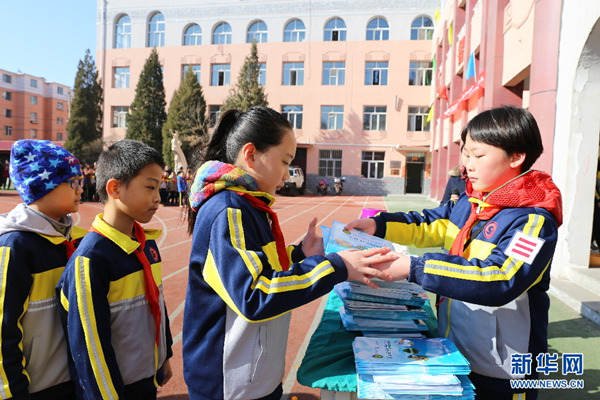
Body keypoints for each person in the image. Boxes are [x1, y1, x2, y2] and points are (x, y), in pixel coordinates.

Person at [346, 106, 563, 400]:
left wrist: (416, 268)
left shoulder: (533, 222)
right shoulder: (472, 203)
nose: (468, 165)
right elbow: (428, 223)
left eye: (478, 155)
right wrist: (378, 225)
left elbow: (500, 279)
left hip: (503, 368)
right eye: (465, 154)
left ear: (516, 157)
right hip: (457, 350)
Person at [182, 107, 397, 400]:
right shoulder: (228, 210)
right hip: (228, 383)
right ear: (251, 154)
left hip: (252, 374)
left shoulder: (249, 205)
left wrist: (298, 254)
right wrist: (337, 266)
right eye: (284, 161)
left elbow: (258, 264)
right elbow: (254, 293)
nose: (287, 173)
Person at [57, 139, 173, 400]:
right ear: (115, 188)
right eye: (150, 187)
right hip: (117, 389)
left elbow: (158, 300)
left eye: (159, 187)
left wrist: (165, 354)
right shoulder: (91, 260)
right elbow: (90, 349)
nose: (158, 197)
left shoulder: (146, 244)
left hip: (146, 378)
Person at [0, 139, 86, 399]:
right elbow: (3, 330)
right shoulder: (15, 247)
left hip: (72, 380)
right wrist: (11, 391)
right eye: (73, 182)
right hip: (37, 386)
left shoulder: (73, 238)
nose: (81, 189)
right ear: (42, 186)